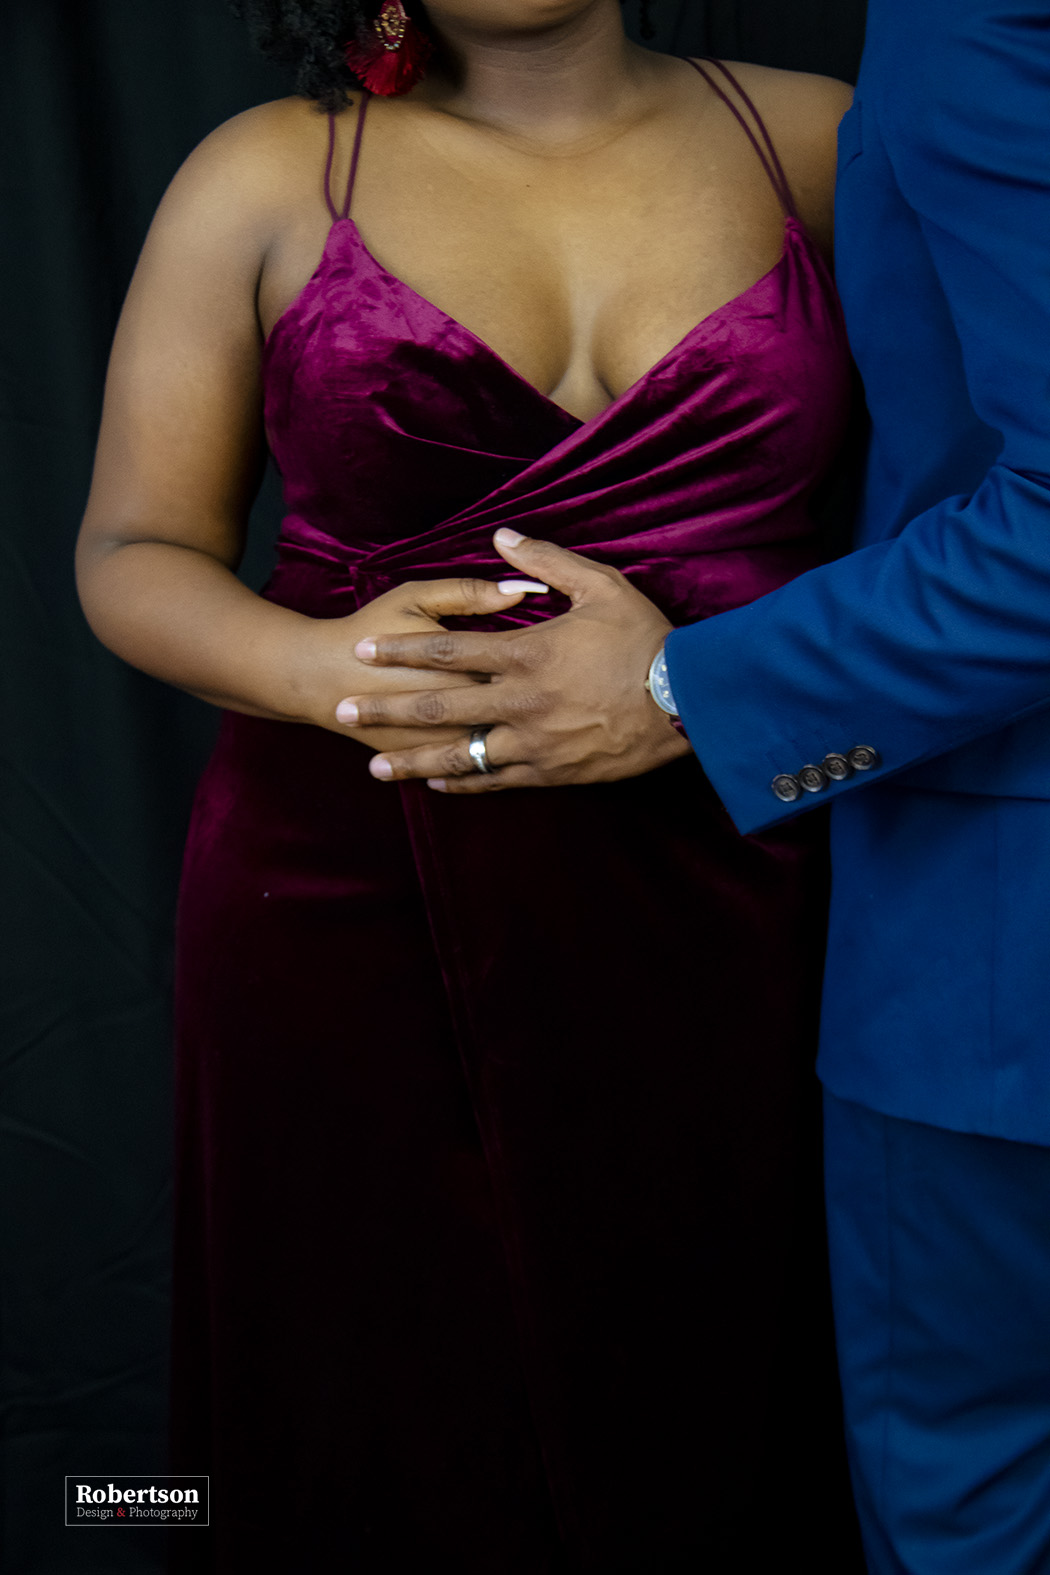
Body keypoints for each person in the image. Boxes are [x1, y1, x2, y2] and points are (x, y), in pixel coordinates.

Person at [75, 1, 864, 1567]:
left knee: (723, 1389)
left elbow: (981, 513)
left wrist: (720, 695)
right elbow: (131, 548)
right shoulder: (266, 174)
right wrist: (321, 670)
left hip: (745, 876)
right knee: (374, 1406)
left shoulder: (825, 139)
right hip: (348, 887)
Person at [342, 0, 1050, 1569]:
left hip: (960, 926)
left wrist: (683, 692)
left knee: (974, 1497)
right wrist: (338, 674)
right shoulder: (275, 173)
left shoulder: (951, 39)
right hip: (384, 871)